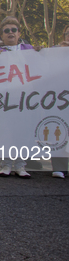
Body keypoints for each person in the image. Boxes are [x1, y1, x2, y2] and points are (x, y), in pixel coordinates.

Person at [0, 18, 39, 178]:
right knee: (5, 132)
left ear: (19, 33)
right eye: (6, 31)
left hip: (26, 100)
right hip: (5, 100)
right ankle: (5, 164)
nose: (10, 33)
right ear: (1, 36)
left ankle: (20, 165)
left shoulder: (30, 49)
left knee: (23, 132)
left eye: (13, 30)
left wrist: (42, 53)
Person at [50, 24, 69, 178]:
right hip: (60, 100)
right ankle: (59, 167)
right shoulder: (56, 50)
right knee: (60, 130)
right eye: (67, 33)